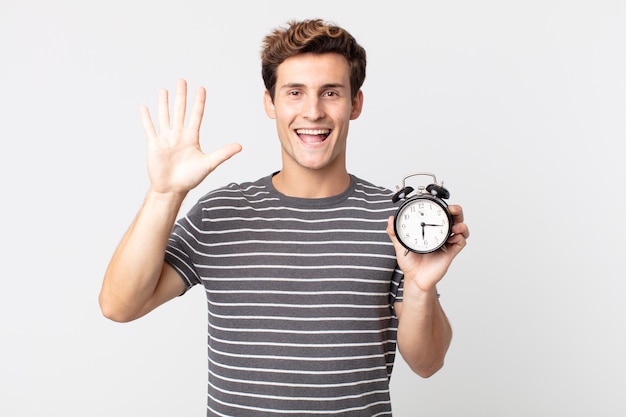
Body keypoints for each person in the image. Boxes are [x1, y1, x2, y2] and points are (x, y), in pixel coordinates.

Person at [100, 18, 469, 416]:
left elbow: (427, 363)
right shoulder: (221, 213)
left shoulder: (397, 220)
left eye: (331, 92)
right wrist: (164, 194)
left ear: (355, 103)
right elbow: (120, 305)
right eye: (295, 92)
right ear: (270, 103)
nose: (313, 111)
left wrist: (419, 286)